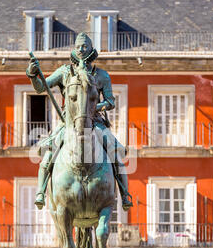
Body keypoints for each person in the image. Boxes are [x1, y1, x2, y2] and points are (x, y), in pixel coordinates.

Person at [26, 32, 133, 211]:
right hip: (68, 123)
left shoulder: (101, 75)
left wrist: (93, 107)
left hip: (95, 122)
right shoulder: (64, 71)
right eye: (78, 47)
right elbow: (40, 88)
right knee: (49, 153)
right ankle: (41, 191)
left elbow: (110, 102)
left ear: (91, 49)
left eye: (84, 46)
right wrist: (32, 74)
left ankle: (124, 193)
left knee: (115, 154)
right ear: (74, 49)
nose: (81, 50)